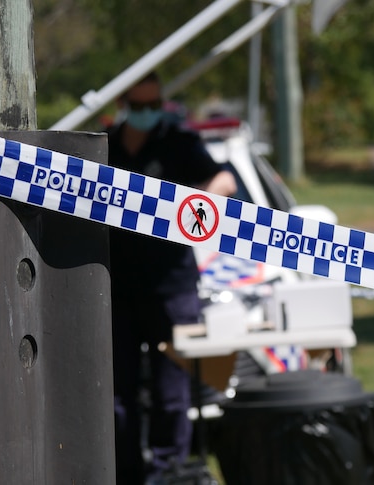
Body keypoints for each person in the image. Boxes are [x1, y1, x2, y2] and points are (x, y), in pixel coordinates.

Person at [107, 72, 237, 484]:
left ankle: (168, 473)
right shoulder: (103, 145)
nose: (146, 114)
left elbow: (225, 179)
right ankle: (124, 472)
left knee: (171, 392)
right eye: (138, 106)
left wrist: (201, 206)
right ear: (124, 104)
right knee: (116, 393)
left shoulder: (179, 141)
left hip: (172, 287)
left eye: (153, 105)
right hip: (116, 288)